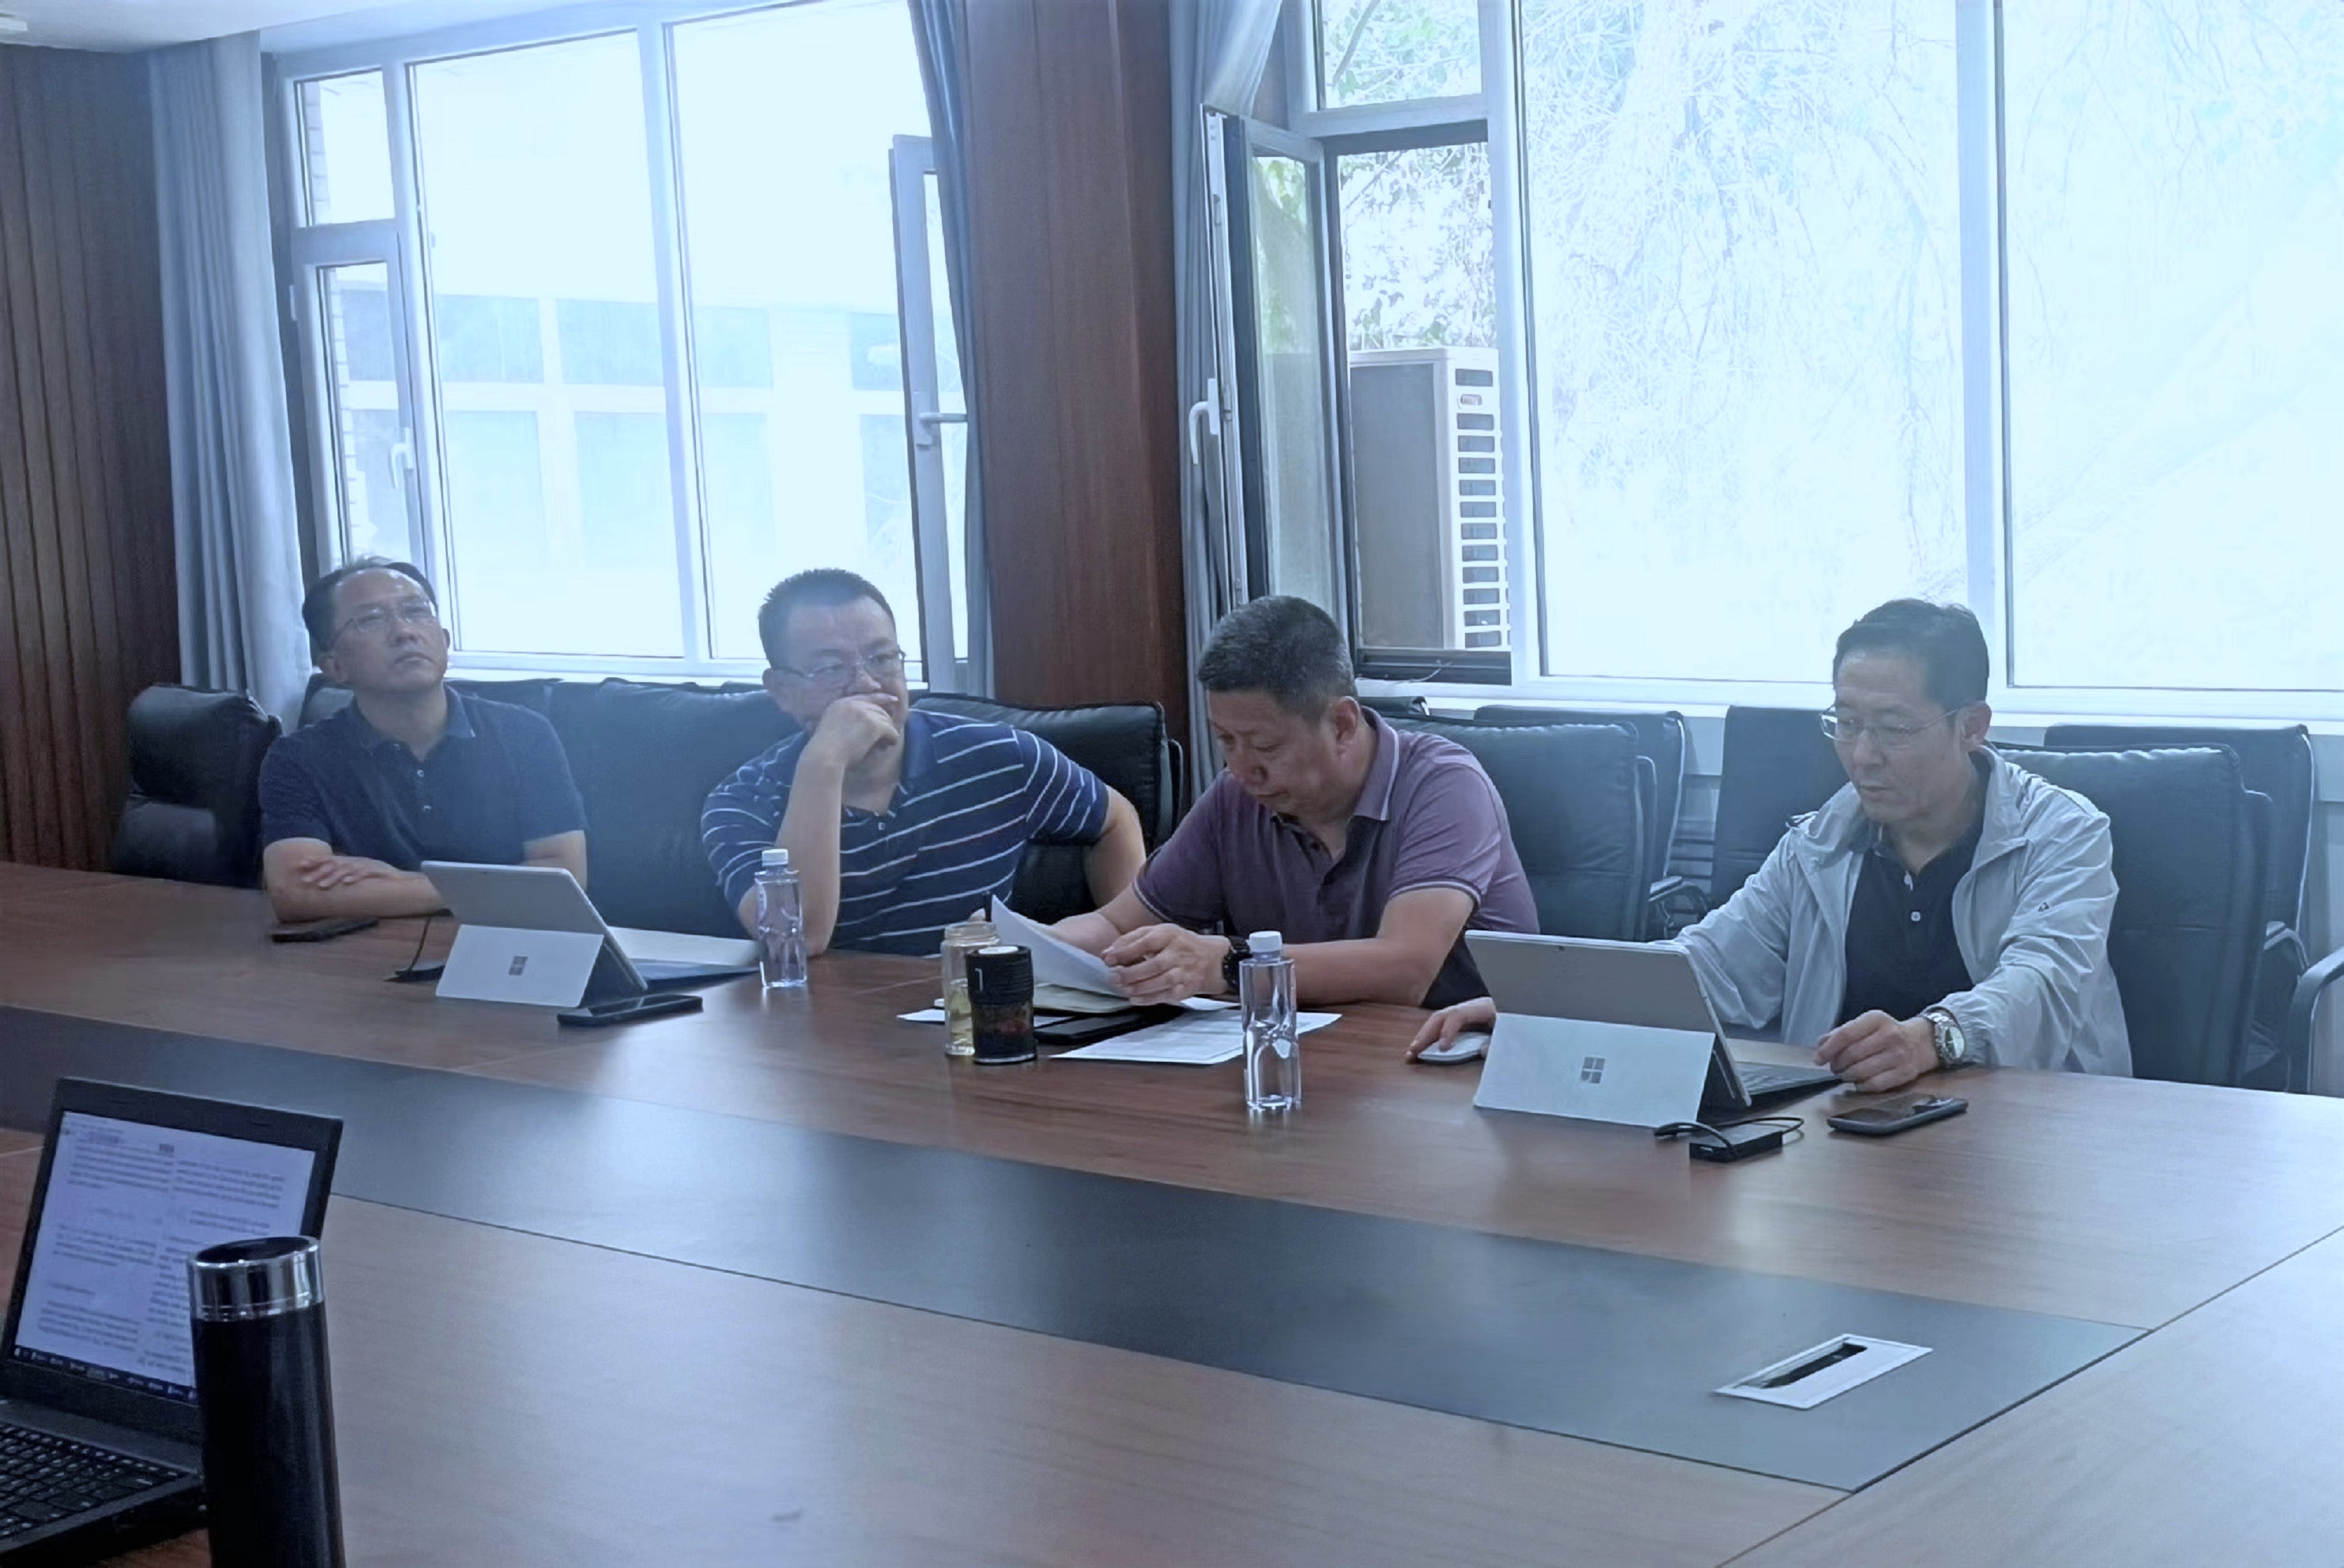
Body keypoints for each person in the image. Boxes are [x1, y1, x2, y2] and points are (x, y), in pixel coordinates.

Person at [1412, 599, 2131, 1091]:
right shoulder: (1819, 843)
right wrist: (1547, 1004)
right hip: (1858, 1130)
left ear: (1971, 726)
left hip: (2033, 1136)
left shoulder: (2062, 834)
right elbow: (1707, 964)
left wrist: (1932, 1038)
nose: (1862, 756)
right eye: (1845, 723)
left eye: (1892, 728)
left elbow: (2043, 983)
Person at [1054, 595, 1536, 1009]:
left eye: (1266, 746)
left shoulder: (1444, 786)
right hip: (1309, 1059)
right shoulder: (1235, 798)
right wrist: (1024, 948)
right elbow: (1115, 926)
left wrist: (1226, 964)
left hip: (1458, 1065)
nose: (1243, 769)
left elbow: (1406, 970)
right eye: (1225, 740)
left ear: (1342, 725)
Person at [701, 569, 1146, 956]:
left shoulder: (1002, 758)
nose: (867, 684)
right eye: (831, 669)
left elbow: (1115, 820)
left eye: (882, 658)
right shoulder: (742, 802)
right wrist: (824, 764)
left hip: (970, 1006)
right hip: (824, 1022)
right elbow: (799, 940)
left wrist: (1124, 949)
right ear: (781, 691)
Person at [258, 558, 588, 922]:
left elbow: (566, 877)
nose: (404, 632)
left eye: (416, 612)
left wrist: (406, 884)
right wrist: (477, 888)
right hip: (368, 950)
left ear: (444, 641)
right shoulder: (298, 758)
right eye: (371, 620)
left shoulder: (524, 734)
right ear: (335, 666)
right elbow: (297, 892)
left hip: (509, 942)